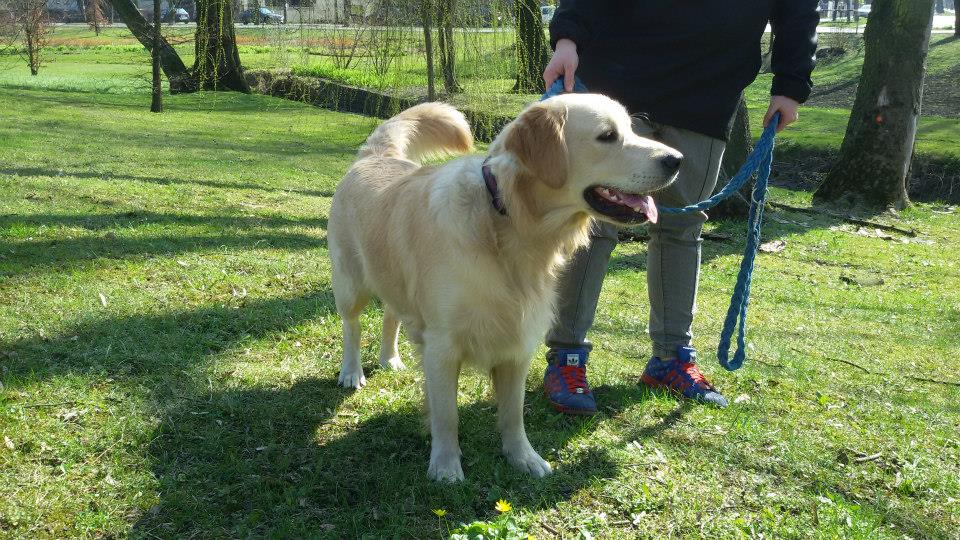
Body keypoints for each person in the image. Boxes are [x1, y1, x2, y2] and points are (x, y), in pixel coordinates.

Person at [541, 0, 819, 414]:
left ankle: (671, 359)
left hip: (706, 99)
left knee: (682, 228)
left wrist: (791, 85)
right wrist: (567, 39)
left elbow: (797, 9)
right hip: (615, 87)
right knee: (594, 221)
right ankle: (566, 356)